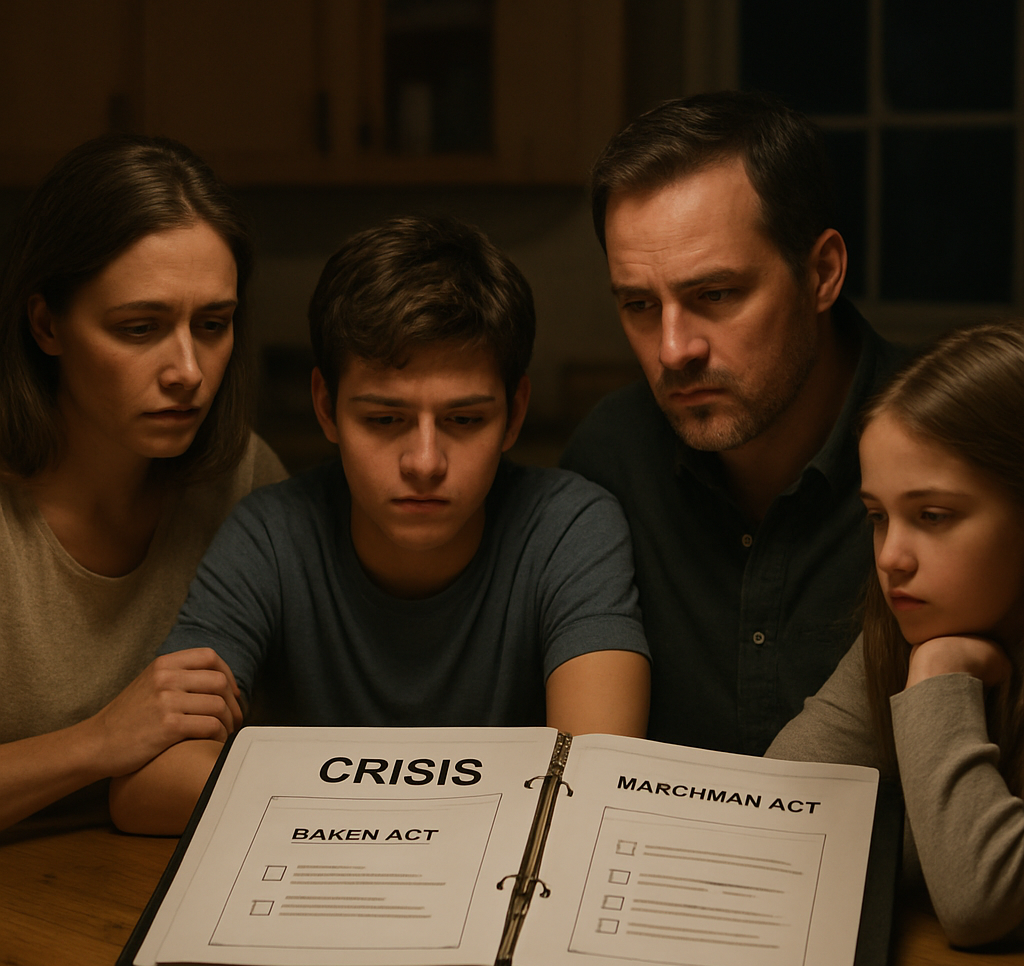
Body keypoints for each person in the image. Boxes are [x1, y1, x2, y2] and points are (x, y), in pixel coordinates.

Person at [110, 215, 651, 835]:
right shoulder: (271, 534)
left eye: (465, 420)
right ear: (325, 407)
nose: (425, 463)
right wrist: (392, 822)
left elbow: (597, 782)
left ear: (515, 413)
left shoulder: (569, 527)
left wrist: (306, 799)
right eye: (386, 420)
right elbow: (147, 783)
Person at [561, 91, 905, 755]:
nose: (672, 350)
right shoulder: (610, 461)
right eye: (638, 304)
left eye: (714, 295)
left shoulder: (954, 458)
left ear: (822, 273)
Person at [0, 134, 287, 834]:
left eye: (213, 324)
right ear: (47, 324)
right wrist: (99, 741)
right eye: (140, 328)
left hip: (155, 879)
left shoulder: (242, 477)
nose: (188, 369)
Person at [768, 322, 1024, 947]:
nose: (891, 557)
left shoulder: (930, 651)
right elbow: (772, 810)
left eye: (932, 516)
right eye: (879, 517)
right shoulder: (905, 634)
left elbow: (980, 901)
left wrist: (938, 678)